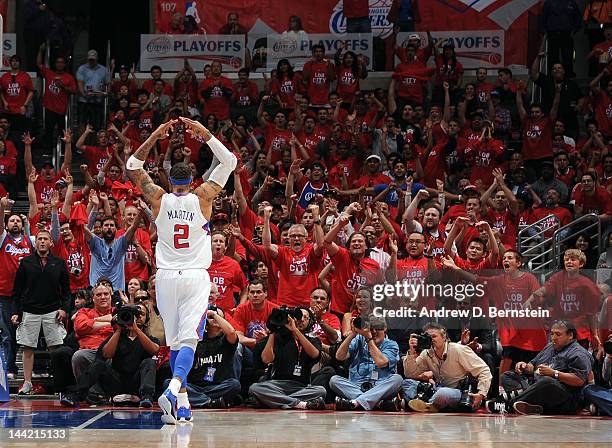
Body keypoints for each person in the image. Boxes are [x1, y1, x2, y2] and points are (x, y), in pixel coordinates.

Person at [126, 117, 237, 424]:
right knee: (189, 341)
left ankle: (183, 406)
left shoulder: (158, 198)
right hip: (194, 277)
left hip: (164, 279)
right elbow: (230, 161)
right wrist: (206, 135)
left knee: (175, 342)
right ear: (192, 179)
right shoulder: (203, 197)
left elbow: (133, 166)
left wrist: (156, 136)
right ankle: (174, 389)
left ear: (170, 180)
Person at [488, 320, 592, 415]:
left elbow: (579, 380)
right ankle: (534, 406)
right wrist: (524, 366)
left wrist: (554, 373)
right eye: (552, 334)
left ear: (570, 335)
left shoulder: (579, 354)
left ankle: (509, 405)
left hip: (565, 397)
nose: (554, 337)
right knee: (507, 376)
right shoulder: (550, 347)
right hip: (537, 386)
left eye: (558, 334)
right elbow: (533, 365)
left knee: (547, 382)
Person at [11, 230, 70, 395]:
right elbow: (17, 291)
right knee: (27, 347)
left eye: (45, 239)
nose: (42, 242)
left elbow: (66, 291)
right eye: (39, 239)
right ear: (35, 242)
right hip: (30, 311)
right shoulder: (26, 263)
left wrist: (64, 309)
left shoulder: (59, 263)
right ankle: (28, 383)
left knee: (56, 349)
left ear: (51, 242)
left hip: (53, 310)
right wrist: (17, 311)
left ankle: (59, 384)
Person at [74, 302, 159, 407]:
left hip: (138, 383)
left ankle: (147, 396)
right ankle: (77, 394)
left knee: (149, 362)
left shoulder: (150, 338)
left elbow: (154, 350)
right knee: (99, 364)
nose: (137, 317)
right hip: (116, 382)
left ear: (146, 319)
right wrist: (118, 330)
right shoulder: (117, 337)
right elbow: (106, 354)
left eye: (141, 314)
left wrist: (136, 330)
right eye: (135, 315)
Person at [402, 322, 492, 412]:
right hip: (436, 388)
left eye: (434, 336)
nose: (431, 340)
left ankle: (425, 404)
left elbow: (484, 370)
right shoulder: (426, 353)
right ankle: (426, 404)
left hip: (457, 392)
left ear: (444, 337)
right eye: (428, 337)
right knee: (406, 383)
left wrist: (481, 394)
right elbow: (410, 373)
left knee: (442, 393)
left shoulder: (457, 349)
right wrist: (412, 352)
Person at [249, 307, 327, 409]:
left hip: (301, 386)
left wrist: (295, 330)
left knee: (321, 391)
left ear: (310, 322)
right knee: (254, 388)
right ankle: (300, 404)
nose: (301, 320)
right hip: (277, 385)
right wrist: (273, 331)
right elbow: (266, 360)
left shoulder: (313, 339)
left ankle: (275, 401)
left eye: (305, 317)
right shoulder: (278, 338)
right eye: (298, 317)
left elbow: (314, 354)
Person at [331, 315, 402, 411]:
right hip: (357, 386)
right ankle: (377, 403)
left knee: (397, 379)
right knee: (334, 380)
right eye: (370, 328)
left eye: (377, 328)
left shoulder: (391, 344)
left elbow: (381, 362)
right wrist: (352, 334)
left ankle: (356, 402)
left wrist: (369, 339)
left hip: (380, 387)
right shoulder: (359, 339)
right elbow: (340, 356)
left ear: (385, 328)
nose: (373, 332)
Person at [180, 305, 241, 408]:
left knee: (234, 385)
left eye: (219, 317)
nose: (215, 319)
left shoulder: (226, 341)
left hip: (217, 386)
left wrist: (213, 314)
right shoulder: (197, 341)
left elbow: (231, 332)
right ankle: (209, 401)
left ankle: (199, 400)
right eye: (211, 317)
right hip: (196, 387)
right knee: (170, 383)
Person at [0, 199, 33, 379]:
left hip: (25, 296)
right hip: (5, 294)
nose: (15, 223)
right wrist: (2, 208)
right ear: (6, 224)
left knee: (24, 334)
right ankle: (9, 368)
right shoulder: (3, 240)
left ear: (22, 224)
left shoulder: (31, 241)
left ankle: (29, 369)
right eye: (11, 221)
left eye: (17, 221)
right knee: (7, 334)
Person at [85, 212, 141, 291]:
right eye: (106, 225)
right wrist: (94, 208)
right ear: (101, 228)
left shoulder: (121, 243)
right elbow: (84, 229)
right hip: (97, 290)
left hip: (117, 291)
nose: (109, 227)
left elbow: (133, 227)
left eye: (112, 225)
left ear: (116, 229)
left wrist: (141, 211)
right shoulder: (95, 242)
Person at [0, 55, 35, 133]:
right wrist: (4, 102)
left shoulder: (25, 76)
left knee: (20, 133)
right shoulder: (4, 77)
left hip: (20, 110)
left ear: (20, 63)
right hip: (7, 110)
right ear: (10, 63)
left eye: (17, 61)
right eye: (13, 61)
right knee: (6, 133)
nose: (14, 63)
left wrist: (25, 105)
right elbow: (1, 91)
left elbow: (31, 91)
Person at [76, 50, 109, 130]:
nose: (91, 61)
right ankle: (81, 142)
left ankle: (94, 142)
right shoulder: (82, 68)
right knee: (82, 123)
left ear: (97, 59)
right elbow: (80, 83)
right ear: (87, 59)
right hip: (84, 101)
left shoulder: (104, 70)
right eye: (90, 59)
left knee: (96, 125)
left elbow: (108, 85)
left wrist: (104, 93)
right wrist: (84, 94)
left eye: (93, 60)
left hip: (97, 101)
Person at [583, 335, 612, 416]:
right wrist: (608, 358)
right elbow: (605, 377)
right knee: (589, 389)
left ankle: (602, 409)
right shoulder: (609, 357)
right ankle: (604, 408)